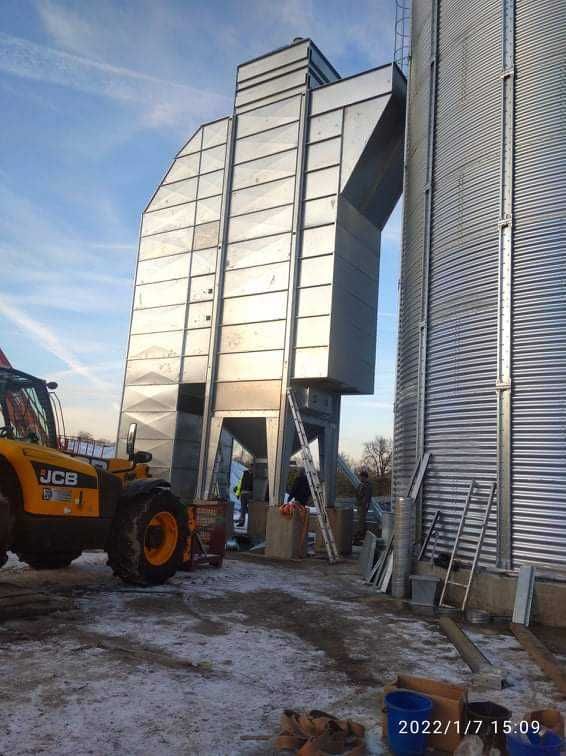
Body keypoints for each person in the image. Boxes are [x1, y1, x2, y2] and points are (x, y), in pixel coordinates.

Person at [355, 469, 372, 543]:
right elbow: (357, 493)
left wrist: (364, 504)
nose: (360, 478)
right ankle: (364, 535)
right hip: (360, 505)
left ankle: (360, 535)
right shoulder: (361, 484)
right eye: (360, 477)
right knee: (362, 520)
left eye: (361, 477)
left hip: (363, 505)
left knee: (361, 521)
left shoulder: (368, 485)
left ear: (365, 477)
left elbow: (367, 496)